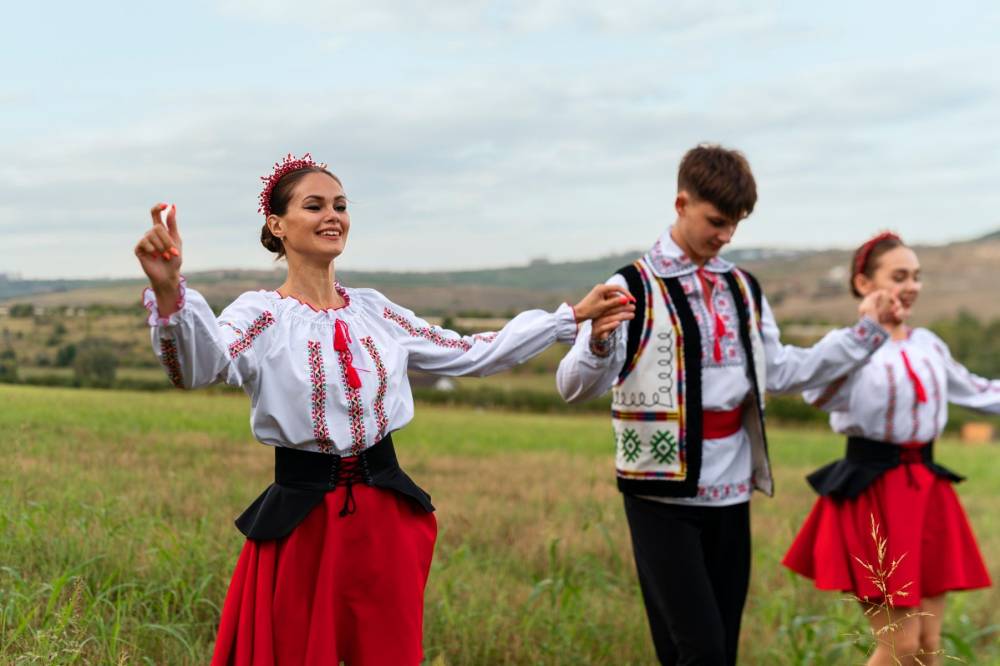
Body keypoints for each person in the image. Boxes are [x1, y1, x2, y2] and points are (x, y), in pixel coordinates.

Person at [134, 153, 634, 665]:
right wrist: (170, 289)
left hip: (385, 517)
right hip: (305, 524)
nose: (333, 216)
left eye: (341, 205)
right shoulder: (262, 315)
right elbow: (198, 367)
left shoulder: (375, 309)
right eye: (314, 205)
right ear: (277, 224)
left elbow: (470, 352)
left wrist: (569, 318)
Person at [555, 144, 900, 665]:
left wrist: (863, 335)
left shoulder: (743, 286)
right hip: (659, 496)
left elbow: (781, 371)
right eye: (716, 221)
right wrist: (599, 344)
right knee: (704, 651)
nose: (725, 236)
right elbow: (572, 385)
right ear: (681, 203)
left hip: (731, 491)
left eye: (735, 224)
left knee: (706, 651)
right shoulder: (632, 287)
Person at [782, 232, 994, 666]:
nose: (912, 286)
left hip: (927, 491)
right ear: (864, 283)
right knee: (900, 647)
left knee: (929, 646)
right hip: (874, 495)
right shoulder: (849, 348)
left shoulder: (928, 343)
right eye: (899, 276)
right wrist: (868, 334)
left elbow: (979, 391)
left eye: (916, 276)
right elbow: (815, 395)